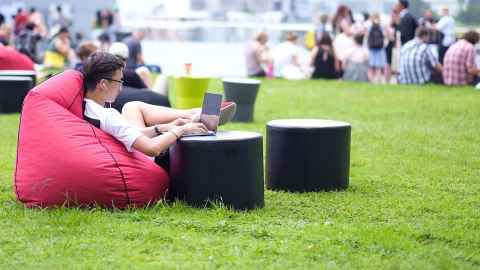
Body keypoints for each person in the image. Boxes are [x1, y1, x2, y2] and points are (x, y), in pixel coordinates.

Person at [81, 52, 236, 163]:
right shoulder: (109, 116)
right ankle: (196, 115)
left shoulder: (88, 107)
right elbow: (152, 148)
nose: (121, 88)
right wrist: (181, 130)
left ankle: (195, 114)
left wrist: (165, 128)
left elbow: (128, 133)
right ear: (103, 84)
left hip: (132, 148)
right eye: (119, 82)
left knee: (131, 106)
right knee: (133, 107)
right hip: (152, 159)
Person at [366, 13, 387, 83]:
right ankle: (378, 80)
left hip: (372, 49)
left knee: (371, 66)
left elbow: (367, 37)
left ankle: (371, 80)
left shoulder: (369, 27)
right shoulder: (381, 26)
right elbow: (385, 36)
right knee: (378, 66)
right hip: (380, 48)